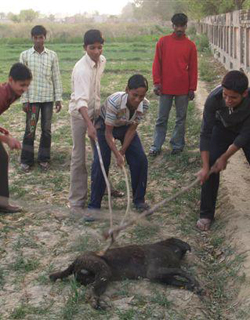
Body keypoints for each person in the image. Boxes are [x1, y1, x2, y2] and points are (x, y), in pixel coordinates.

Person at [87, 74, 150, 219]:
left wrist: (122, 151)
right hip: (105, 127)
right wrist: (117, 154)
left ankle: (139, 200)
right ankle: (94, 206)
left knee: (140, 159)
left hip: (126, 127)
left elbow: (132, 129)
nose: (137, 100)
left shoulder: (144, 104)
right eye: (135, 95)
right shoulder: (115, 102)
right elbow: (109, 133)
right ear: (127, 89)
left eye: (141, 96)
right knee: (101, 162)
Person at [196, 70, 250, 231]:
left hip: (245, 131)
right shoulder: (214, 98)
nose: (227, 100)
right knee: (211, 165)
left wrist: (225, 157)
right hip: (222, 128)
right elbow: (205, 133)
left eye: (233, 97)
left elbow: (244, 136)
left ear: (245, 93)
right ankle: (206, 214)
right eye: (225, 95)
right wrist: (206, 167)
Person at [68, 29, 106, 213]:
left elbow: (95, 91)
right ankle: (76, 201)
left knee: (101, 151)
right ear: (85, 48)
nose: (97, 52)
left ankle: (105, 186)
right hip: (79, 115)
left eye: (100, 47)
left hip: (95, 112)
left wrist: (96, 116)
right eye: (92, 48)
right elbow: (80, 101)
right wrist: (89, 125)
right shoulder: (81, 69)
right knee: (79, 156)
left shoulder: (102, 61)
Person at [149, 13, 197, 156]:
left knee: (181, 118)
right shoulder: (163, 42)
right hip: (165, 87)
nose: (179, 28)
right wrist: (157, 83)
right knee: (161, 118)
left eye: (182, 26)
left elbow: (193, 68)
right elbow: (157, 63)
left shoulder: (190, 46)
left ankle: (177, 144)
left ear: (186, 26)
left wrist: (192, 88)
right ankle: (156, 146)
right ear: (173, 26)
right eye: (177, 26)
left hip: (183, 88)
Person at [19, 25, 63, 172]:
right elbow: (21, 79)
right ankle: (26, 160)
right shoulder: (25, 55)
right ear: (32, 38)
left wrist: (58, 98)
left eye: (41, 37)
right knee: (30, 129)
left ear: (45, 37)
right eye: (36, 37)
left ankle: (44, 159)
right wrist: (24, 99)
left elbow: (56, 77)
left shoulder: (52, 55)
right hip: (32, 100)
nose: (38, 40)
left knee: (46, 130)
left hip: (48, 100)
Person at [0, 63, 32, 213]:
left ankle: (2, 203)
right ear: (11, 80)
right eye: (22, 85)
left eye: (27, 85)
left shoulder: (13, 93)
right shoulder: (2, 95)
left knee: (2, 159)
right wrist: (6, 139)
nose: (25, 89)